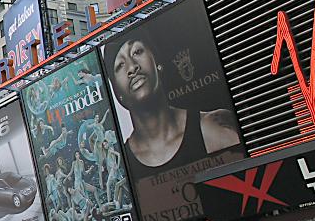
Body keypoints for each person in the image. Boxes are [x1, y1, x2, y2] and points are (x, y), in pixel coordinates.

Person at [103, 26, 241, 179]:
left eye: (137, 51)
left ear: (157, 62)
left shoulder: (212, 128)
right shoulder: (121, 167)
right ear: (117, 92)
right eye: (120, 65)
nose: (132, 67)